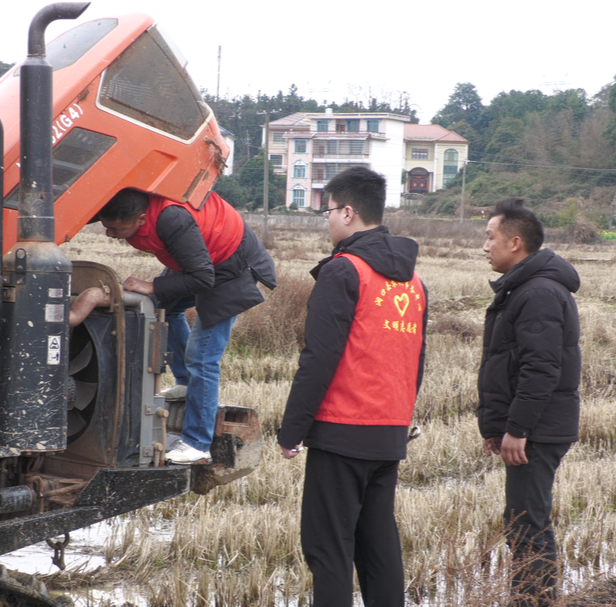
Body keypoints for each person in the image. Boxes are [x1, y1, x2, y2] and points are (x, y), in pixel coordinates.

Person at [278, 166, 427, 607]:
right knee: (379, 546)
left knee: (328, 548)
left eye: (327, 212)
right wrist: (398, 419)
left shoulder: (344, 271)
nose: (326, 221)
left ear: (347, 213)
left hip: (341, 432)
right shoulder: (414, 282)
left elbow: (318, 358)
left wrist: (292, 431)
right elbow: (416, 361)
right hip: (389, 433)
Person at [96, 188, 276, 464]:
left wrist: (153, 285)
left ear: (142, 219)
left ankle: (197, 444)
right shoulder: (137, 207)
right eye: (106, 227)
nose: (109, 234)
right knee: (164, 308)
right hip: (199, 262)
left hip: (229, 268)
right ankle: (185, 383)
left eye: (116, 229)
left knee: (202, 357)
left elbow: (203, 278)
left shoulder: (171, 220)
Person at [479, 197, 580, 606]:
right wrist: (496, 427)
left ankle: (534, 601)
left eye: (491, 237)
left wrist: (517, 428)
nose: (485, 245)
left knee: (527, 524)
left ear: (515, 242)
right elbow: (510, 364)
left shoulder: (537, 292)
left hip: (536, 430)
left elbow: (541, 369)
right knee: (523, 521)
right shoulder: (524, 287)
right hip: (533, 427)